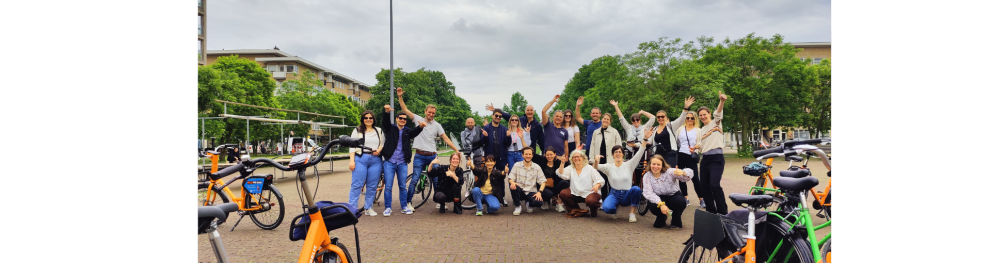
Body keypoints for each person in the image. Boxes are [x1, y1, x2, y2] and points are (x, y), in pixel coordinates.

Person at [395, 87, 462, 212]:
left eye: (433, 113)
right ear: (425, 111)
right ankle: (408, 202)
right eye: (429, 112)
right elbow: (404, 109)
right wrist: (400, 96)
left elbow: (446, 138)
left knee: (437, 179)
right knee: (415, 179)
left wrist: (456, 150)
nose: (431, 114)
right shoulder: (417, 119)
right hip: (420, 155)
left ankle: (439, 201)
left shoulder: (437, 125)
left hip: (432, 156)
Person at [594, 125, 655, 223]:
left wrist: (645, 138)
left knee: (636, 189)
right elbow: (596, 167)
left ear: (623, 154)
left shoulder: (629, 164)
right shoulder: (608, 166)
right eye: (615, 152)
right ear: (613, 155)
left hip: (627, 194)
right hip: (614, 194)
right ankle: (614, 208)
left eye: (620, 152)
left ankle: (632, 213)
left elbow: (640, 152)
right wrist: (596, 161)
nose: (618, 153)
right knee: (606, 208)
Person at [380, 105, 426, 216]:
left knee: (402, 186)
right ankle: (388, 208)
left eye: (405, 119)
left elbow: (414, 133)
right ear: (396, 119)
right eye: (400, 118)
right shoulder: (390, 128)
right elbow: (385, 122)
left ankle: (404, 207)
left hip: (402, 163)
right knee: (389, 186)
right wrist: (386, 112)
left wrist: (421, 127)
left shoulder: (406, 131)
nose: (402, 120)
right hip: (390, 162)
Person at [651, 96, 694, 205]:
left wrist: (685, 108)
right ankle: (661, 198)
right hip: (659, 155)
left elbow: (681, 119)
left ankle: (675, 198)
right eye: (658, 117)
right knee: (659, 175)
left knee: (670, 175)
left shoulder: (671, 126)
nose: (660, 118)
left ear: (666, 117)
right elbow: (648, 141)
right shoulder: (655, 129)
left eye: (662, 116)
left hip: (670, 154)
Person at [695, 91, 729, 214]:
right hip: (705, 160)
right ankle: (711, 211)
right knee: (704, 187)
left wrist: (722, 101)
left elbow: (718, 112)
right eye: (700, 115)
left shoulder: (716, 123)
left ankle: (723, 212)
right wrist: (696, 147)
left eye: (704, 114)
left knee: (714, 185)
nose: (703, 117)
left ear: (709, 114)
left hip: (716, 159)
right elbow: (702, 145)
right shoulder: (702, 129)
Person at [642, 154, 694, 229]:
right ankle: (662, 217)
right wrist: (661, 204)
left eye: (658, 164)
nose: (655, 167)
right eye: (653, 164)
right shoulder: (647, 176)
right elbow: (648, 192)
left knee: (679, 201)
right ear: (650, 165)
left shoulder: (669, 171)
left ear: (662, 165)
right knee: (652, 205)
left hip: (673, 195)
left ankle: (675, 220)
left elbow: (690, 172)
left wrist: (682, 172)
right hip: (659, 197)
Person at [348, 110, 385, 216]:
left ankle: (368, 208)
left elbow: (382, 144)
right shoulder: (357, 130)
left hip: (375, 160)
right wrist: (352, 161)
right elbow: (352, 146)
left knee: (372, 185)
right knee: (357, 185)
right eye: (366, 118)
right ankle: (352, 209)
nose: (368, 120)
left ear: (373, 119)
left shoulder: (378, 130)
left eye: (370, 118)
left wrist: (378, 150)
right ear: (363, 119)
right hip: (361, 158)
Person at [557, 150, 605, 218]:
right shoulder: (571, 168)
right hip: (576, 193)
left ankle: (593, 211)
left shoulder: (589, 168)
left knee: (591, 200)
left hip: (589, 193)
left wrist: (597, 185)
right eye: (574, 157)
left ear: (583, 158)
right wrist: (562, 163)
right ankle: (576, 210)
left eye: (578, 157)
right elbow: (561, 173)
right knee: (563, 193)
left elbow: (600, 180)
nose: (576, 159)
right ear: (572, 159)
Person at [507, 147, 552, 216]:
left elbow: (543, 181)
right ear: (522, 155)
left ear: (532, 155)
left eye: (529, 154)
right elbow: (510, 178)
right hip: (520, 191)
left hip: (531, 192)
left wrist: (539, 193)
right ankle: (518, 206)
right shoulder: (517, 165)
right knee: (513, 186)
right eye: (526, 154)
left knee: (539, 202)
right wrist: (512, 182)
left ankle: (529, 203)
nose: (528, 156)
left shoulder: (537, 167)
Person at [530, 145, 569, 212]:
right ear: (544, 155)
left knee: (565, 182)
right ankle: (545, 201)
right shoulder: (541, 160)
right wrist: (522, 138)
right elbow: (530, 153)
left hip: (554, 186)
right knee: (548, 193)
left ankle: (559, 203)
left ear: (555, 154)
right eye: (547, 155)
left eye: (551, 154)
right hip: (543, 186)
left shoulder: (558, 163)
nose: (549, 156)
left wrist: (577, 151)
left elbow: (573, 162)